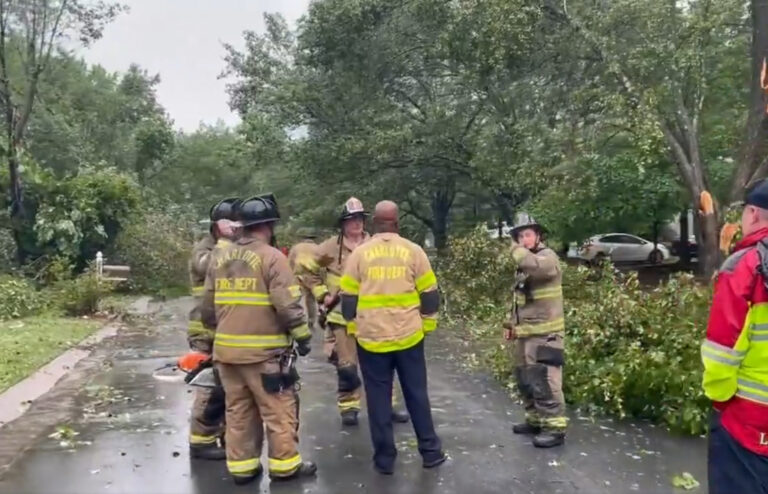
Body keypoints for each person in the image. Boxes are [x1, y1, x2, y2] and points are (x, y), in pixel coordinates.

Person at [200, 194, 317, 484]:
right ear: (268, 225)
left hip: (226, 354)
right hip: (264, 355)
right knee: (279, 410)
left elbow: (207, 308)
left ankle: (243, 469)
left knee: (238, 411)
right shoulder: (272, 257)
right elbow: (288, 305)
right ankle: (285, 466)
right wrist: (302, 337)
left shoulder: (219, 257)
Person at [340, 200, 446, 475]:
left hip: (372, 339)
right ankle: (430, 452)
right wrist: (427, 326)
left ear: (374, 224)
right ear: (397, 223)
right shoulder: (414, 251)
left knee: (378, 399)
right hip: (409, 336)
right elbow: (430, 294)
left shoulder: (360, 254)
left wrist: (353, 328)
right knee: (416, 395)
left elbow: (348, 298)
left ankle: (385, 460)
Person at [301, 197, 409, 426]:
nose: (356, 223)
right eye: (351, 220)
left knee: (382, 364)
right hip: (341, 315)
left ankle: (386, 405)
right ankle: (348, 407)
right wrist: (322, 294)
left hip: (373, 316)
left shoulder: (375, 243)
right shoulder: (330, 247)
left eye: (360, 218)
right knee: (347, 365)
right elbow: (307, 270)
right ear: (343, 223)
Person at [703, 180, 768, 494]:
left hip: (747, 420)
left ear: (753, 214)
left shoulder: (746, 267)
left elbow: (721, 352)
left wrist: (720, 400)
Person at [505, 213, 567, 448]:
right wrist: (510, 325)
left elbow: (536, 268)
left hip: (546, 335)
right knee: (525, 379)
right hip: (526, 333)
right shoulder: (523, 266)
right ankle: (535, 421)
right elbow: (519, 299)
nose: (523, 240)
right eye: (520, 236)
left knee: (545, 381)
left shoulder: (546, 258)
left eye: (527, 235)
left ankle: (555, 428)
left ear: (538, 236)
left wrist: (515, 249)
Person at [186, 197, 240, 460]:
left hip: (226, 329)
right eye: (229, 222)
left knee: (229, 388)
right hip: (205, 333)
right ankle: (200, 440)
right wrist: (227, 243)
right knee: (210, 388)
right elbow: (210, 266)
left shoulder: (234, 247)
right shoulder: (205, 249)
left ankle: (224, 435)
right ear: (217, 225)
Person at [288, 230, 319, 331]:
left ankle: (295, 320)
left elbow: (290, 262)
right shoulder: (318, 248)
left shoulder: (296, 248)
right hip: (312, 276)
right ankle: (311, 320)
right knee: (311, 299)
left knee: (295, 298)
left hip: (298, 276)